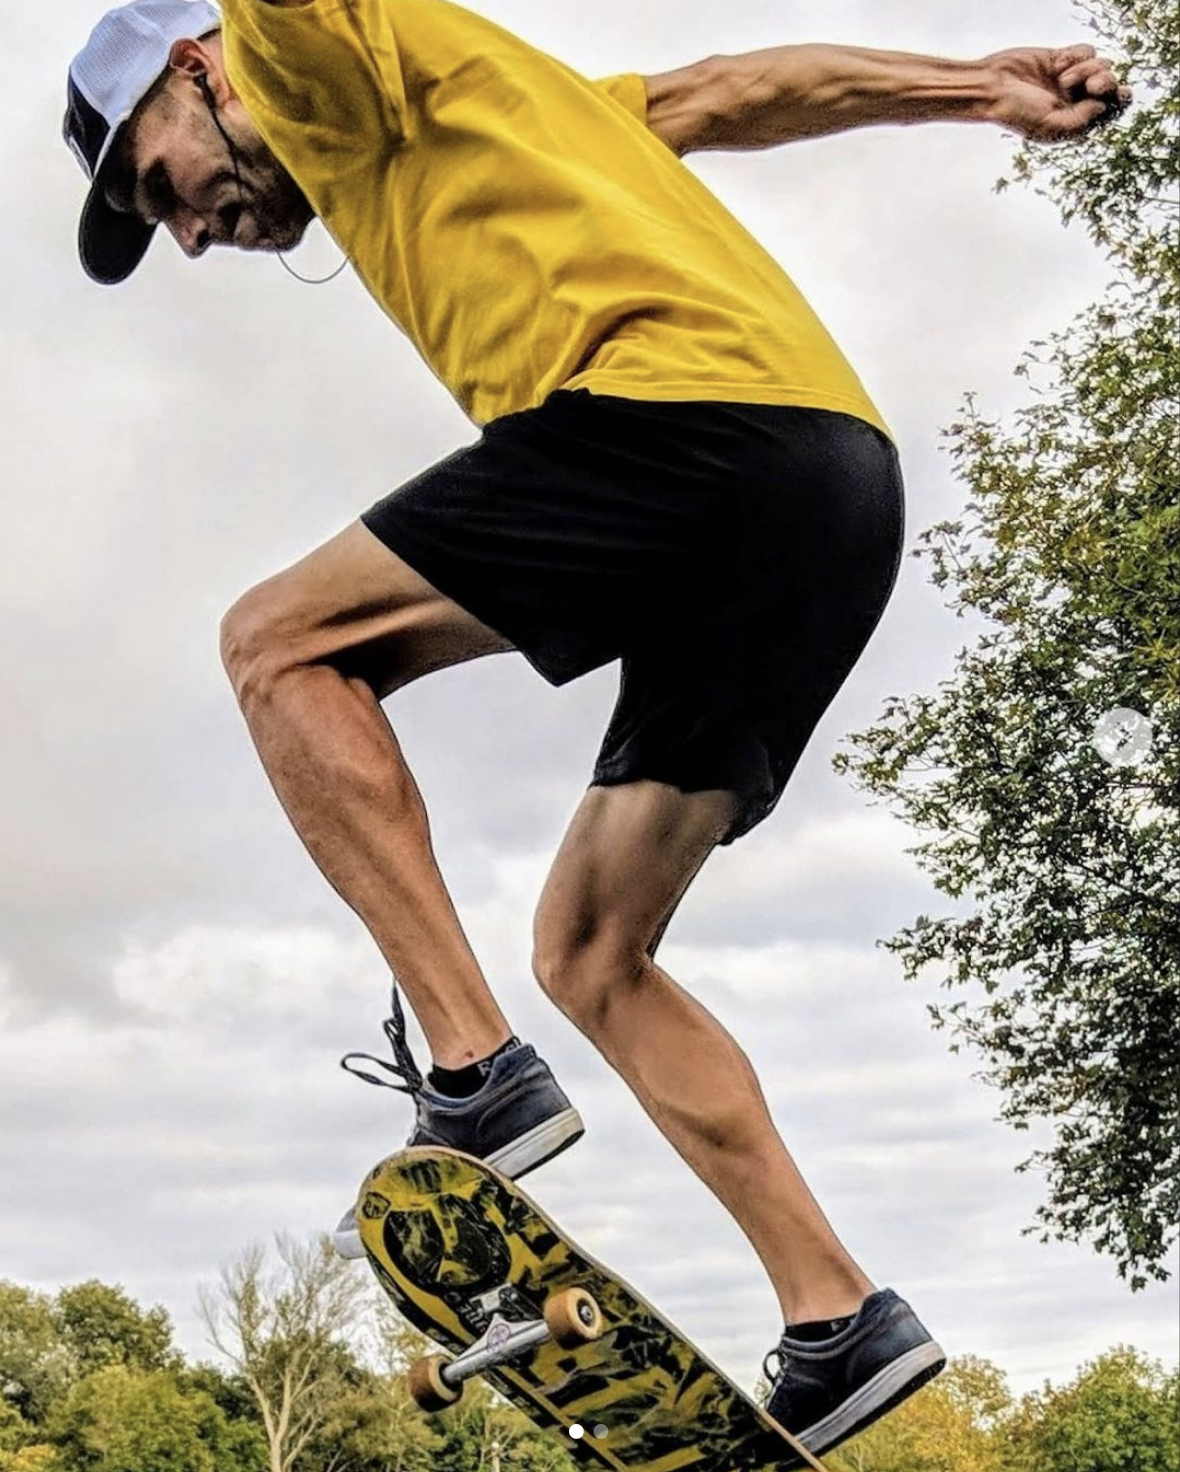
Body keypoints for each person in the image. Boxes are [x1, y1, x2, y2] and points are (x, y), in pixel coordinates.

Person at [64, 0, 1130, 1455]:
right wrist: (972, 86)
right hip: (832, 487)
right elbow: (739, 89)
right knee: (590, 947)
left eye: (157, 183)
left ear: (198, 70)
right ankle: (837, 1318)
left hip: (680, 425)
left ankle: (471, 1070)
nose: (190, 231)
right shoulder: (515, 98)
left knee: (275, 644)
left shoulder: (305, 60)